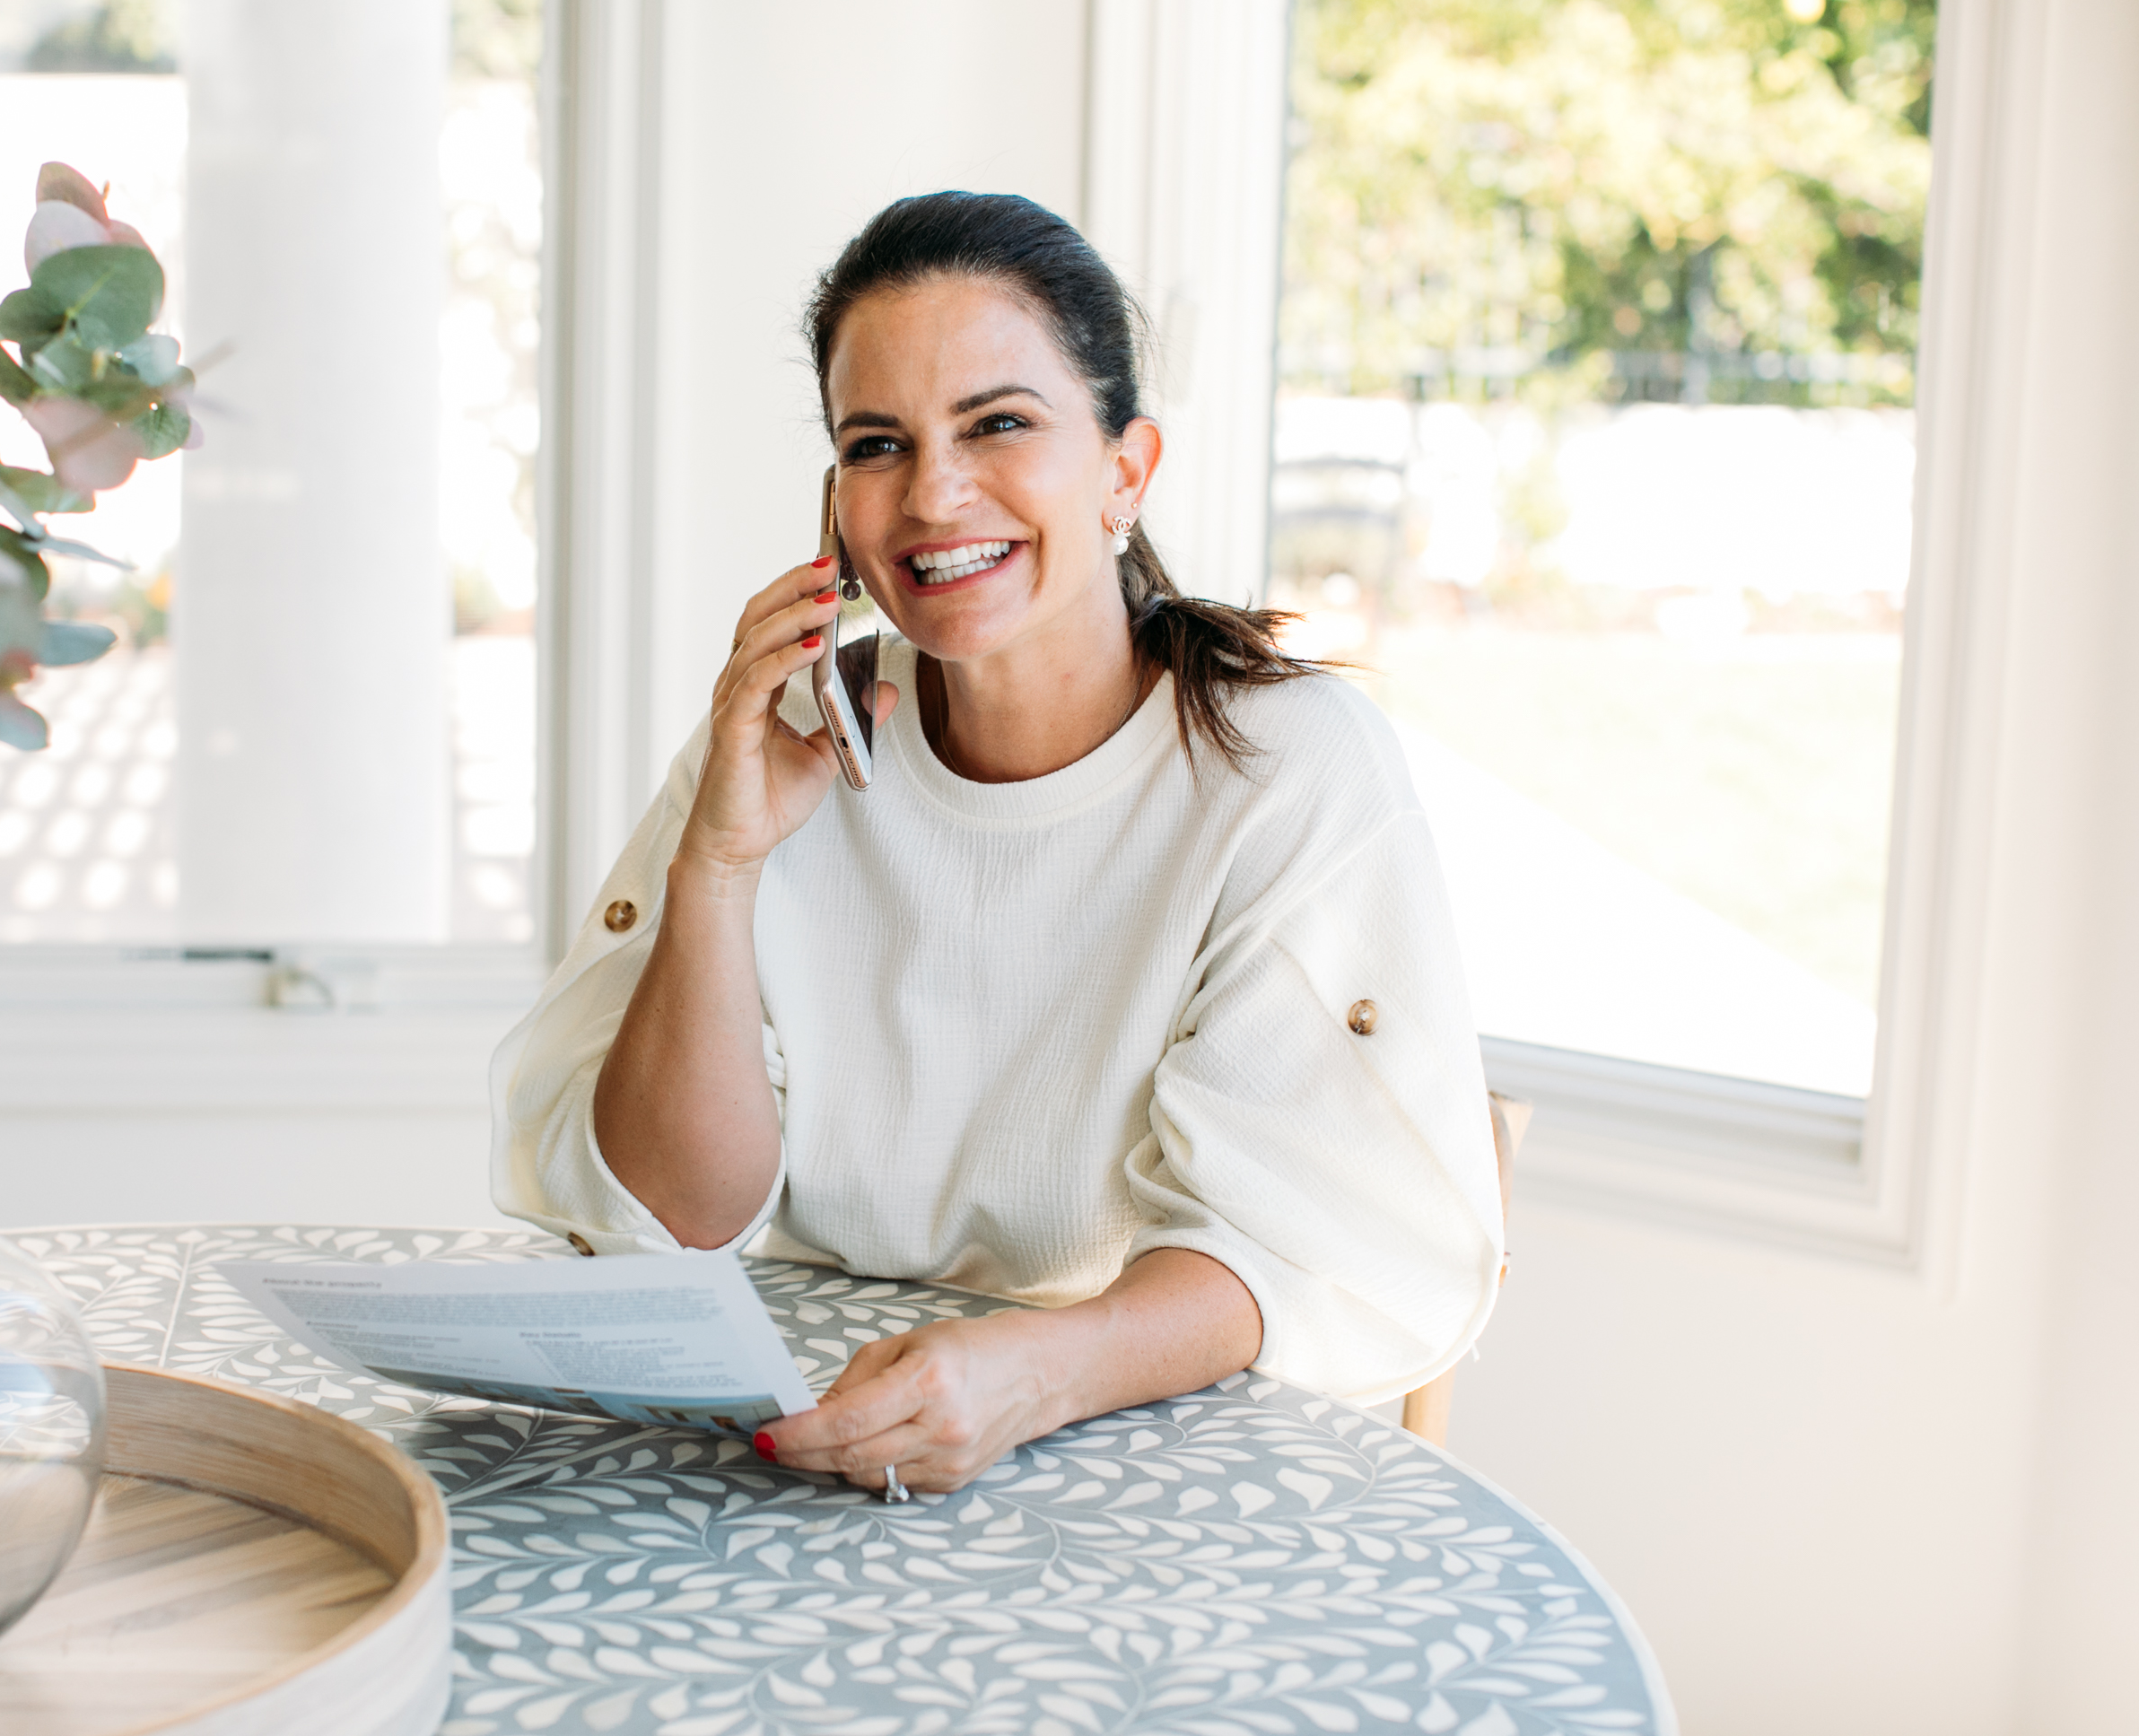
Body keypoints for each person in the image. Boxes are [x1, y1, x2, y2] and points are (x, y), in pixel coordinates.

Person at [492, 191, 1502, 1495]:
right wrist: (719, 865)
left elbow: (1292, 1240)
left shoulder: (1285, 767)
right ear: (835, 505)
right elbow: (676, 1220)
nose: (933, 494)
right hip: (827, 1449)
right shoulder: (784, 739)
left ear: (1126, 471)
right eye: (877, 445)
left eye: (999, 424)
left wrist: (1024, 1376)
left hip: (1141, 1457)